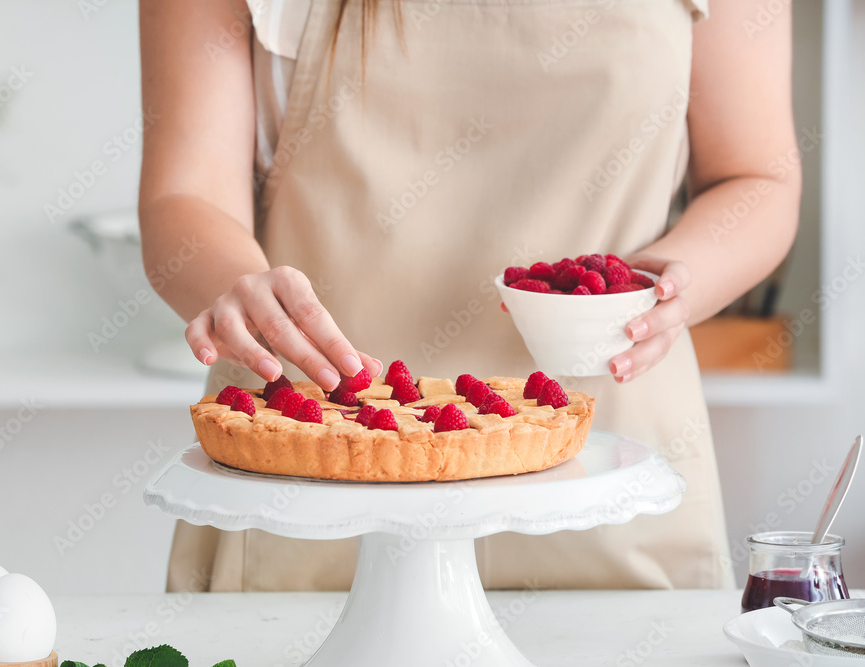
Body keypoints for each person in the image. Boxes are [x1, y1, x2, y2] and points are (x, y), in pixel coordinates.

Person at [138, 0, 800, 592]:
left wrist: (678, 277)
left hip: (610, 476)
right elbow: (183, 195)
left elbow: (759, 176)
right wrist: (236, 287)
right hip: (310, 482)